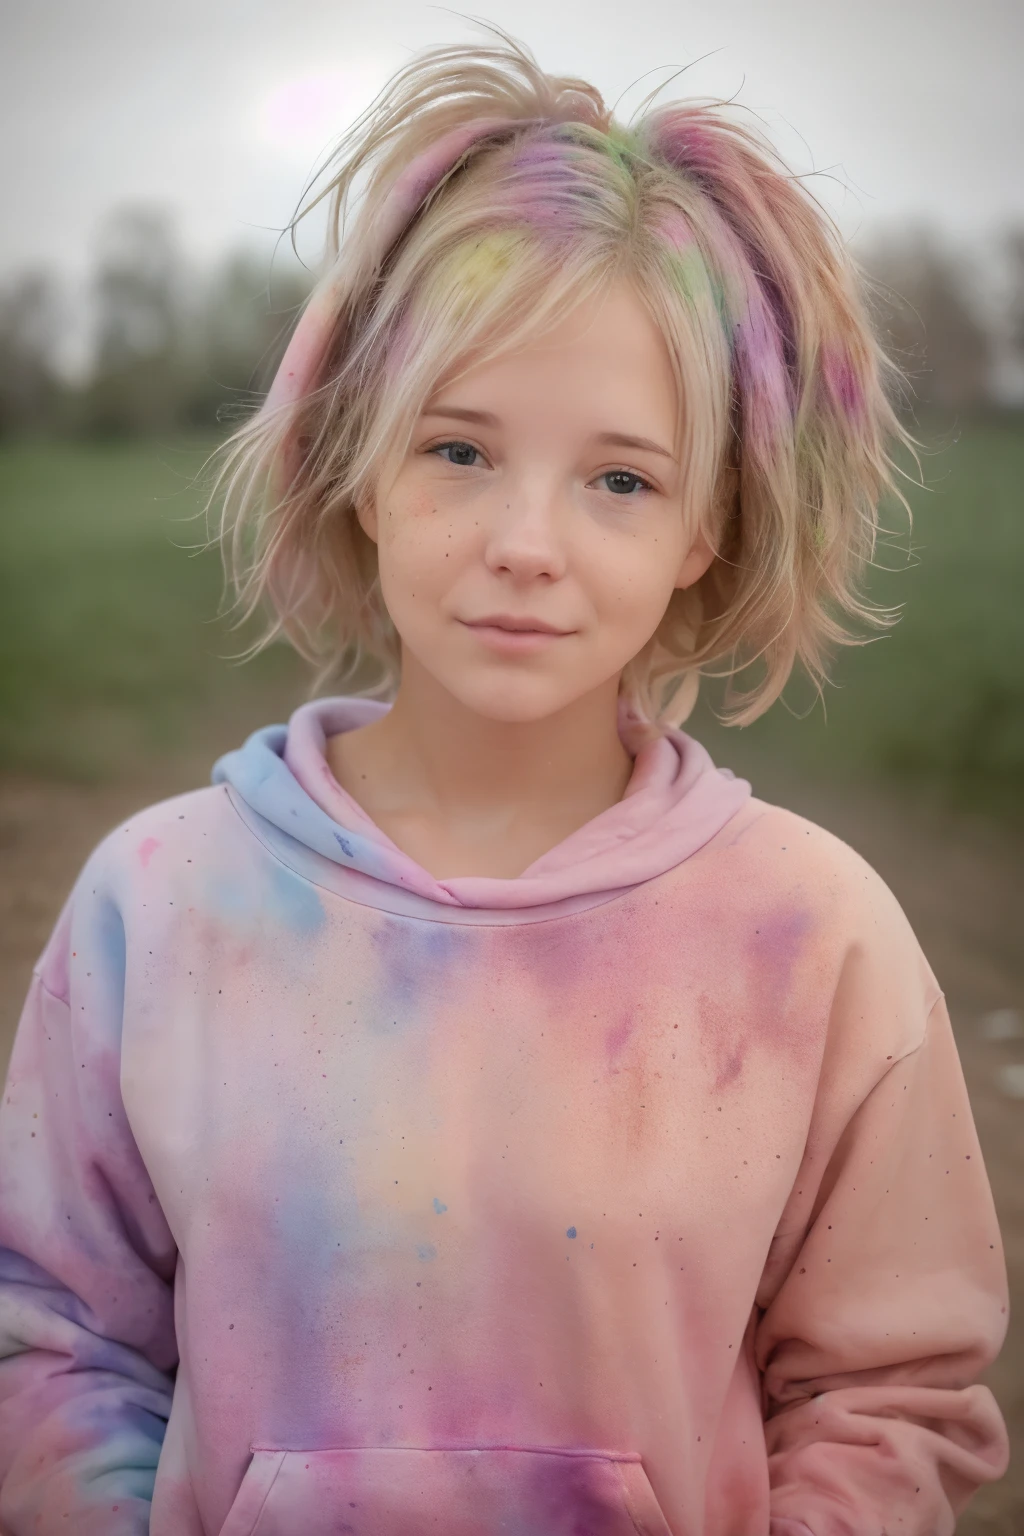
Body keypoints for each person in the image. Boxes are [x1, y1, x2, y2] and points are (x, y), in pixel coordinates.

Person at [0, 24, 1010, 1536]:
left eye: (621, 478)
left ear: (706, 530)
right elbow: (57, 1345)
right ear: (359, 458)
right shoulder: (157, 905)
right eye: (460, 450)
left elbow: (887, 1398)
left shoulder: (819, 939)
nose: (525, 541)